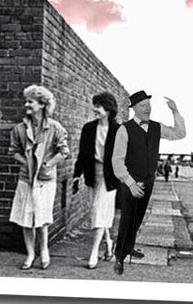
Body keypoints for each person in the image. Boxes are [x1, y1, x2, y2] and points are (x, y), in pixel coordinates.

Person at [111, 90, 186, 275]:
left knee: (138, 217)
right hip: (130, 180)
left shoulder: (156, 127)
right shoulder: (124, 129)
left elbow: (179, 134)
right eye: (143, 106)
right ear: (135, 108)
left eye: (149, 105)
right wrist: (130, 183)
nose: (148, 109)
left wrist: (175, 111)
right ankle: (119, 257)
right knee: (127, 218)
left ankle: (129, 247)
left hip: (148, 179)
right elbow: (117, 161)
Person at [8, 85, 70, 271]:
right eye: (26, 101)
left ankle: (44, 250)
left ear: (42, 105)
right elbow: (13, 152)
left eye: (30, 101)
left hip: (45, 180)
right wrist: (26, 162)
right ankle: (30, 254)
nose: (26, 104)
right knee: (25, 219)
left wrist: (49, 164)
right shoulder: (19, 129)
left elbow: (64, 151)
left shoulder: (55, 127)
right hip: (26, 179)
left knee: (41, 218)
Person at [73, 92, 121, 269]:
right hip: (93, 174)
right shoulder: (88, 128)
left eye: (98, 106)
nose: (94, 109)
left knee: (98, 212)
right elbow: (82, 154)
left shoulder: (118, 130)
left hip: (110, 178)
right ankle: (108, 242)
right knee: (99, 212)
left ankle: (93, 253)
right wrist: (77, 175)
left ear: (108, 109)